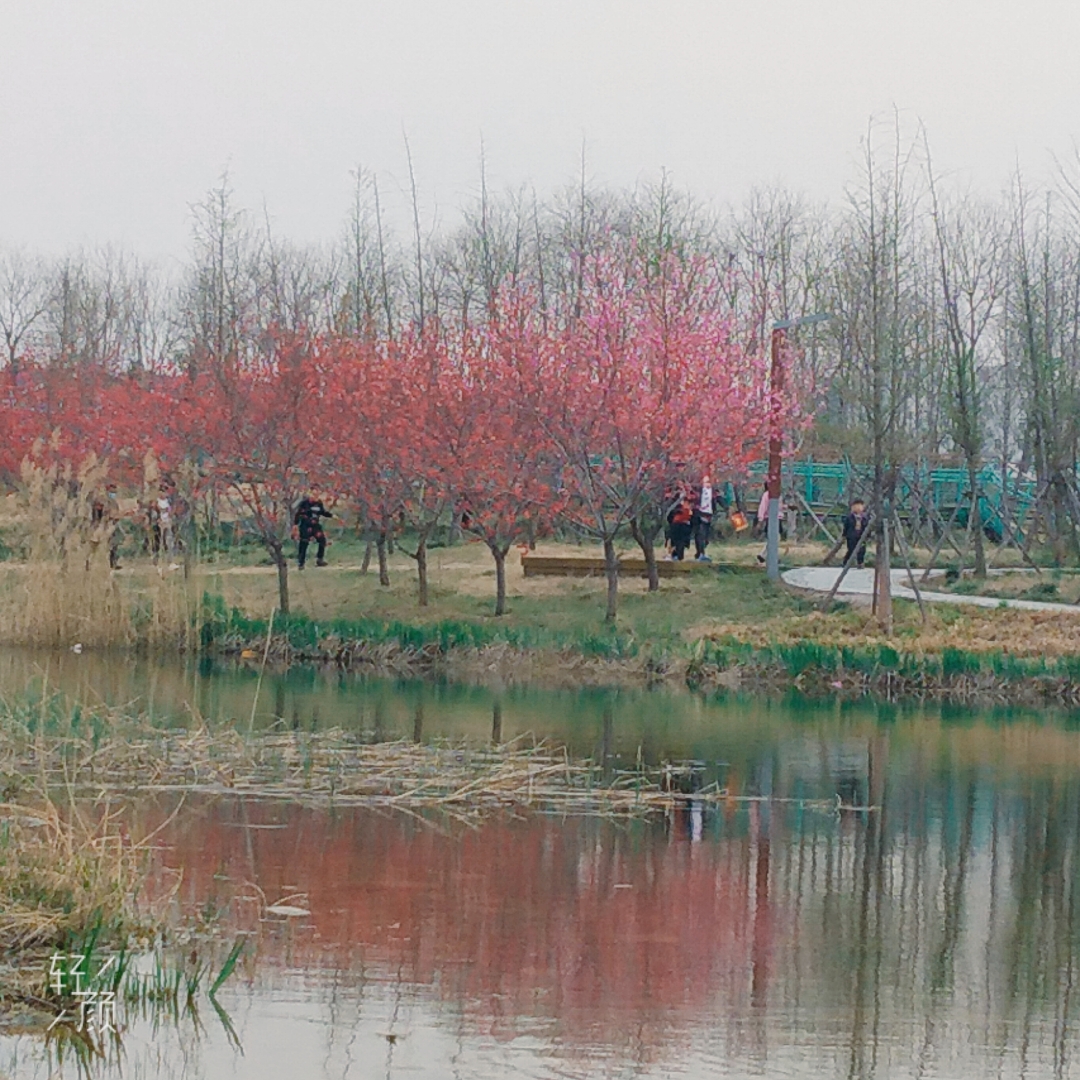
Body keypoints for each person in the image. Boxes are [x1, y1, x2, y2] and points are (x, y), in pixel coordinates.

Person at [294, 494, 333, 569]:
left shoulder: (319, 503)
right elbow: (298, 514)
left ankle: (320, 559)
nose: (315, 497)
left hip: (315, 525)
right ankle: (301, 563)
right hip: (305, 525)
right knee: (304, 543)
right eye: (313, 495)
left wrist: (332, 516)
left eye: (316, 495)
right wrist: (295, 525)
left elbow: (323, 512)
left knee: (322, 540)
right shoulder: (304, 503)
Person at [667, 487, 694, 561]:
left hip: (684, 523)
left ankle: (679, 556)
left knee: (681, 541)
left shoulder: (688, 500)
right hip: (676, 522)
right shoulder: (674, 500)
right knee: (675, 540)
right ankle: (674, 555)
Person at [842, 498, 868, 568]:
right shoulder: (849, 517)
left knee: (862, 550)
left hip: (861, 536)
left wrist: (867, 536)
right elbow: (846, 527)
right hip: (851, 536)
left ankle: (860, 563)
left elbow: (867, 527)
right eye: (856, 506)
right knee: (851, 549)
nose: (858, 508)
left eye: (860, 506)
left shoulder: (865, 517)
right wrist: (844, 535)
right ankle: (846, 562)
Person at [693, 474, 714, 561]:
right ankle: (701, 553)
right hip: (699, 515)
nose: (707, 484)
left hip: (708, 515)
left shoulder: (713, 492)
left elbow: (719, 499)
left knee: (706, 536)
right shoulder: (698, 491)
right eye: (705, 482)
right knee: (700, 534)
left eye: (708, 482)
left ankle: (700, 552)